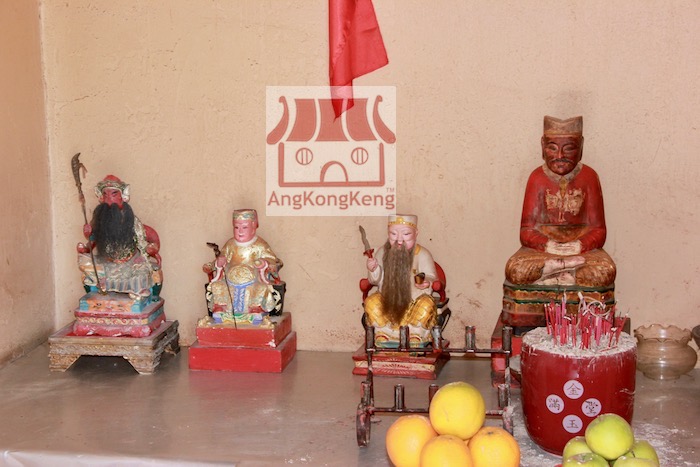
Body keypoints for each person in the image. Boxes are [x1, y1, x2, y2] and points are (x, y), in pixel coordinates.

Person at [505, 116, 616, 287]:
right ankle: (565, 272)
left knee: (605, 271)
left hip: (581, 252)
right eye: (552, 148)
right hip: (544, 251)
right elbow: (526, 231)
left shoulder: (589, 177)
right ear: (543, 147)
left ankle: (551, 273)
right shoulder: (536, 178)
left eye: (569, 148)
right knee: (516, 270)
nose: (560, 156)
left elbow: (598, 230)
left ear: (581, 147)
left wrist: (578, 246)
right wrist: (548, 246)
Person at [77, 175, 162, 299]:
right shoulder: (99, 221)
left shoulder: (131, 221)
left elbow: (149, 235)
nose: (109, 199)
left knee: (142, 272)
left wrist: (153, 247)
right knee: (86, 265)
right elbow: (92, 241)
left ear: (123, 196)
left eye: (113, 194)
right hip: (106, 263)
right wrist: (86, 241)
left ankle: (136, 292)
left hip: (131, 263)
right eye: (105, 194)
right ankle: (99, 291)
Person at [364, 214, 438, 346]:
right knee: (371, 302)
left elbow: (432, 277)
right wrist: (374, 269)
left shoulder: (422, 254)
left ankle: (415, 336)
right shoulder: (382, 252)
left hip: (415, 302)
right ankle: (384, 335)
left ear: (416, 233)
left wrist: (427, 282)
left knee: (427, 305)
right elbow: (375, 280)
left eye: (406, 234)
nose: (399, 239)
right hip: (388, 303)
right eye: (393, 234)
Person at [203, 209, 283, 324]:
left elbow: (272, 260)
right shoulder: (230, 244)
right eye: (236, 227)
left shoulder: (260, 245)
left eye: (244, 227)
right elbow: (221, 258)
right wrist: (218, 263)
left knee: (260, 288)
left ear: (253, 227)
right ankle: (221, 307)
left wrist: (264, 263)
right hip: (230, 279)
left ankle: (256, 308)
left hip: (253, 279)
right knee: (218, 286)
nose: (240, 231)